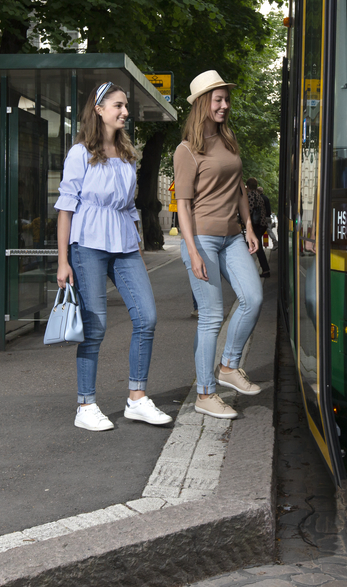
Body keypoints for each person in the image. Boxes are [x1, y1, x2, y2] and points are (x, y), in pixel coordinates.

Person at [56, 81, 172, 432]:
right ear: (99, 109)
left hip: (123, 243)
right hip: (87, 243)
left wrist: (137, 239)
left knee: (147, 317)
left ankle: (136, 399)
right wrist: (63, 261)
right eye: (118, 106)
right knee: (96, 326)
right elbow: (65, 208)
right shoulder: (80, 153)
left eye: (125, 107)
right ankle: (85, 404)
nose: (124, 112)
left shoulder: (127, 153)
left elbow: (129, 206)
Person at [174, 70, 264, 420]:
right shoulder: (186, 150)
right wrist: (193, 249)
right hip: (202, 239)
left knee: (253, 298)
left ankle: (228, 367)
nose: (225, 105)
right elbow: (183, 204)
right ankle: (205, 394)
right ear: (201, 105)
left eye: (227, 99)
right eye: (218, 99)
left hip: (232, 237)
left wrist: (249, 227)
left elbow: (239, 187)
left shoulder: (228, 141)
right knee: (211, 317)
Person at [246, 178, 271, 278]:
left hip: (255, 225)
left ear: (248, 186)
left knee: (254, 247)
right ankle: (265, 269)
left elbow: (248, 211)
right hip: (262, 224)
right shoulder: (259, 196)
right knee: (256, 247)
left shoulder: (250, 196)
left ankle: (264, 270)